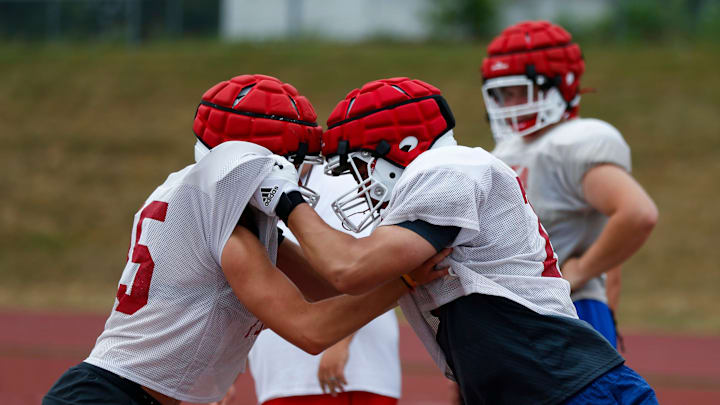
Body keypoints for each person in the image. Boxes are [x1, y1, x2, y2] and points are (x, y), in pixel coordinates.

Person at [42, 74, 448, 405]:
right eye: (287, 164)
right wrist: (405, 281)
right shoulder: (229, 232)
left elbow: (327, 284)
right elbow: (311, 331)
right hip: (112, 395)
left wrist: (400, 257)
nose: (294, 174)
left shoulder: (208, 203)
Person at [268, 77, 658, 404]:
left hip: (568, 388)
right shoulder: (434, 191)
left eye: (359, 167)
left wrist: (283, 198)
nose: (359, 185)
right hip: (531, 389)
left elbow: (347, 270)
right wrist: (268, 235)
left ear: (403, 147)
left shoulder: (450, 168)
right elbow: (329, 289)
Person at [481, 20, 658, 347]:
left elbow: (636, 214)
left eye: (523, 90)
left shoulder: (574, 143)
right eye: (504, 93)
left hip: (568, 310)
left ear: (561, 86)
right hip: (514, 313)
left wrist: (580, 270)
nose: (513, 103)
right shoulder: (507, 150)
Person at [247, 172, 401, 405]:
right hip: (279, 372)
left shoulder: (343, 179)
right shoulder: (250, 183)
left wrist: (341, 342)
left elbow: (365, 267)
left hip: (351, 371)